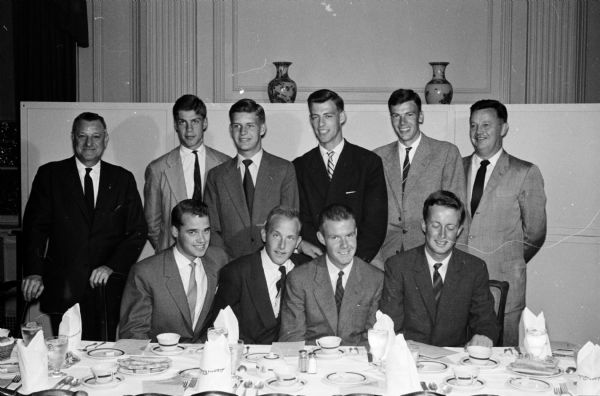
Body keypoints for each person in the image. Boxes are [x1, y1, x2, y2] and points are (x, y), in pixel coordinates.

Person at [21, 112, 146, 340]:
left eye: (96, 136)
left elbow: (137, 231)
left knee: (104, 355)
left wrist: (111, 266)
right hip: (64, 287)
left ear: (105, 139)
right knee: (68, 354)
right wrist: (34, 272)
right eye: (82, 136)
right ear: (73, 138)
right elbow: (34, 229)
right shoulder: (50, 175)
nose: (89, 143)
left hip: (107, 288)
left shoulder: (122, 179)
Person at [463, 99, 547, 346]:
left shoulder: (525, 172)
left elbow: (535, 233)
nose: (479, 132)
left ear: (504, 128)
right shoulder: (455, 166)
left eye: (487, 124)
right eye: (473, 125)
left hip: (503, 287)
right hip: (461, 287)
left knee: (500, 363)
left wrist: (509, 259)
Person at [380, 191, 499, 347]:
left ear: (459, 230)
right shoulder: (398, 266)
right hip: (411, 358)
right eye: (436, 225)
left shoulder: (474, 268)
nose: (442, 235)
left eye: (450, 227)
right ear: (424, 225)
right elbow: (389, 324)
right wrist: (398, 344)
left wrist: (483, 336)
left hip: (455, 361)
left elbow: (485, 321)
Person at [373, 89, 466, 265]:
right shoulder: (377, 157)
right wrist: (375, 260)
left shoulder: (446, 153)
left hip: (430, 256)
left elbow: (459, 214)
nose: (402, 122)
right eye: (396, 116)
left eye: (409, 114)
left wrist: (454, 265)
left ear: (420, 117)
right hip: (385, 259)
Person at [293, 89, 387, 263]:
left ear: (341, 117)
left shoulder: (368, 162)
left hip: (360, 258)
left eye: (328, 116)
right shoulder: (300, 166)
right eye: (315, 117)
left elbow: (375, 224)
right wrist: (326, 262)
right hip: (316, 260)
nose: (321, 124)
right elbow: (301, 219)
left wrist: (351, 262)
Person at [119, 200, 227, 342]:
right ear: (175, 231)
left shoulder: (219, 259)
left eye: (206, 231)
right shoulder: (146, 272)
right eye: (192, 232)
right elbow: (134, 333)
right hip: (161, 358)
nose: (202, 239)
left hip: (204, 355)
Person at [204, 99, 299, 260]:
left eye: (250, 126)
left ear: (262, 129)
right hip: (230, 264)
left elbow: (290, 223)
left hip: (272, 264)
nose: (243, 132)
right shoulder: (217, 176)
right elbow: (212, 228)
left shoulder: (284, 170)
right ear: (230, 129)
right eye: (237, 126)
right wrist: (225, 264)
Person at [279, 204, 383, 345]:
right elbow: (292, 340)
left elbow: (373, 340)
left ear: (356, 233)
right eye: (335, 238)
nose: (345, 245)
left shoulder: (375, 279)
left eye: (349, 235)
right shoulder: (300, 278)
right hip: (314, 362)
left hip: (357, 363)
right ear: (321, 238)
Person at [144, 94, 230, 252]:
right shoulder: (158, 169)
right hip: (173, 257)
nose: (189, 129)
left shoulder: (225, 164)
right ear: (176, 125)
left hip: (215, 257)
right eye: (183, 122)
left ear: (205, 123)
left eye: (195, 121)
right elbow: (152, 224)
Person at [212, 206, 308, 344]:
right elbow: (219, 327)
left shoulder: (307, 268)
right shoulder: (236, 272)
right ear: (264, 234)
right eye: (276, 235)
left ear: (298, 242)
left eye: (290, 238)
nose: (282, 245)